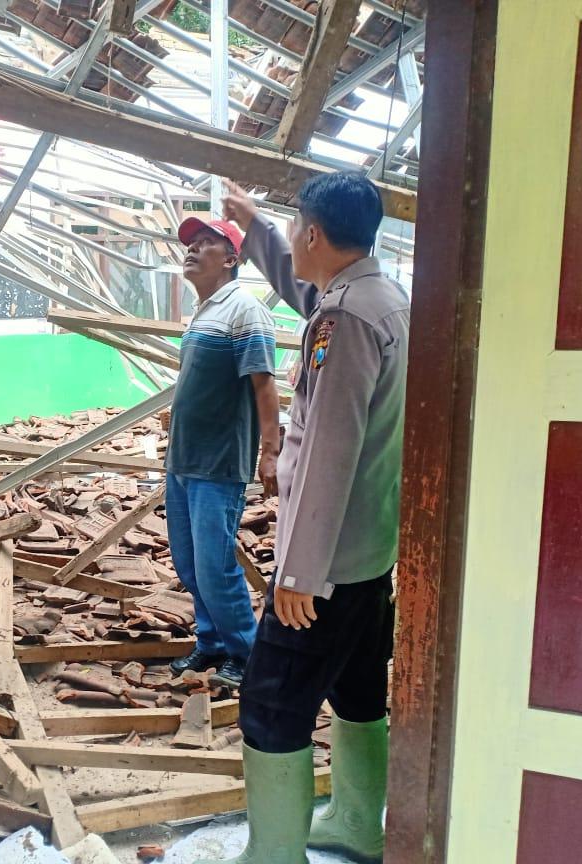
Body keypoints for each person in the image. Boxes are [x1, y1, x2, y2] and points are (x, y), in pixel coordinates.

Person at [197, 174, 409, 864]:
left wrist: (299, 574)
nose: (291, 240)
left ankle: (275, 854)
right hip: (371, 552)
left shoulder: (343, 322)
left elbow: (328, 453)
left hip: (329, 566)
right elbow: (307, 291)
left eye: (292, 230)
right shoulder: (383, 298)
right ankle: (355, 820)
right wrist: (256, 227)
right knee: (357, 688)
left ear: (314, 234)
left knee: (270, 706)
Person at [165, 216, 282, 689]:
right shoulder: (205, 310)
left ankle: (246, 652)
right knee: (190, 562)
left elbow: (264, 385)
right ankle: (211, 642)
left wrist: (270, 451)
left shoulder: (244, 310)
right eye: (190, 243)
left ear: (232, 259)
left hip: (219, 463)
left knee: (215, 565)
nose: (192, 249)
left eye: (206, 243)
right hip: (184, 460)